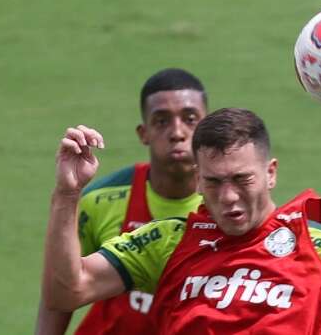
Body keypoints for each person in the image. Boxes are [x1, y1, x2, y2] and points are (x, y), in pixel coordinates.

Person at [41, 107, 321, 335]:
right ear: (198, 179)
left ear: (271, 173)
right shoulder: (167, 241)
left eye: (242, 180)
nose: (229, 197)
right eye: (214, 182)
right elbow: (65, 291)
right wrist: (67, 193)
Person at [35, 68, 209, 335]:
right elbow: (60, 289)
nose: (177, 132)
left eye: (190, 119)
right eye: (162, 121)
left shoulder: (225, 207)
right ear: (143, 133)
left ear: (206, 125)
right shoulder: (100, 200)